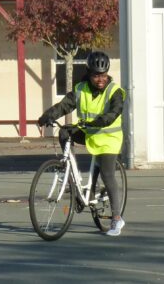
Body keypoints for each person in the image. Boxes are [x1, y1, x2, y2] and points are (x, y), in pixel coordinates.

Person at [37, 51, 127, 235]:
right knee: (64, 131)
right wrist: (47, 116)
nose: (100, 79)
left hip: (108, 138)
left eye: (103, 75)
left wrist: (100, 121)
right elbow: (64, 106)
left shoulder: (115, 91)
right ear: (89, 74)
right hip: (89, 132)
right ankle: (70, 171)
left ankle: (117, 219)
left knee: (108, 174)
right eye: (96, 75)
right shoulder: (80, 89)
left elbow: (115, 112)